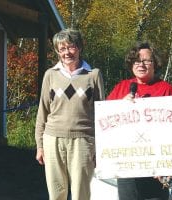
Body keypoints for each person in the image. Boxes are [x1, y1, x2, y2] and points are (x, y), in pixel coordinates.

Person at [35, 28, 105, 200]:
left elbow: (101, 113)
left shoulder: (93, 75)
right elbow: (42, 111)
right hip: (52, 140)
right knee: (56, 192)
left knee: (81, 193)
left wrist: (100, 146)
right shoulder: (50, 75)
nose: (67, 52)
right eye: (62, 48)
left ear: (79, 47)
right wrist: (39, 145)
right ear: (58, 51)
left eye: (71, 47)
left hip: (83, 141)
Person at [106, 41, 172, 200]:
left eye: (146, 60)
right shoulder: (121, 88)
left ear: (155, 63)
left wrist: (170, 166)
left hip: (157, 168)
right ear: (131, 64)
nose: (141, 64)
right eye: (137, 60)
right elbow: (106, 126)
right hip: (127, 167)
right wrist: (118, 107)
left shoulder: (166, 89)